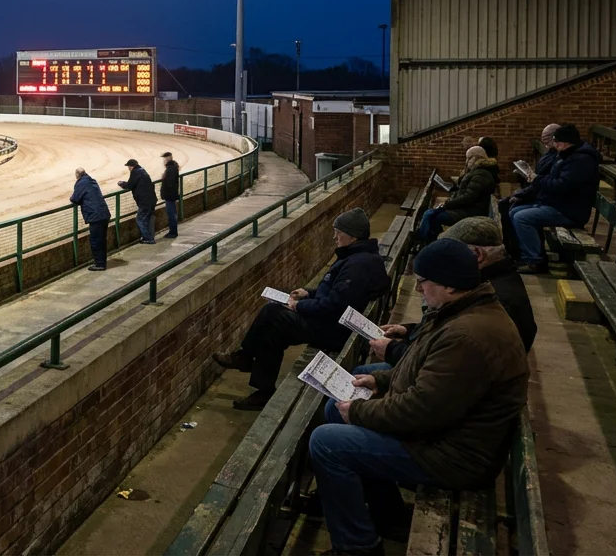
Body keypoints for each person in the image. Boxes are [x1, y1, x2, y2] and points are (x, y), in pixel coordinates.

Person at [309, 239, 528, 556]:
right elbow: (424, 370)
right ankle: (388, 515)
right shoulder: (462, 311)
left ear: (450, 285)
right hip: (446, 435)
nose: (419, 290)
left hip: (451, 455)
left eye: (423, 282)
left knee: (326, 443)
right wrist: (378, 379)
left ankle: (357, 546)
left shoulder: (468, 335)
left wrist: (358, 412)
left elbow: (420, 412)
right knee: (335, 407)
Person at [212, 208, 388, 411]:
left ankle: (245, 357)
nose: (334, 236)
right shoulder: (359, 257)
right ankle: (262, 389)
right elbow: (337, 293)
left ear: (352, 235)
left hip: (333, 331)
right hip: (335, 325)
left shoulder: (357, 265)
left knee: (273, 312)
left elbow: (334, 306)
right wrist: (308, 293)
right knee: (272, 332)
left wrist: (298, 306)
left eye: (338, 232)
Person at [363, 217, 536, 385]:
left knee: (360, 375)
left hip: (463, 388)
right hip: (450, 374)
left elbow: (449, 365)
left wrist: (393, 351)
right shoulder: (490, 282)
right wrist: (409, 330)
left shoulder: (494, 299)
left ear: (476, 255)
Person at [507, 124, 602, 273]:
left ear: (565, 142)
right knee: (515, 211)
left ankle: (534, 261)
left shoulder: (581, 160)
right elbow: (555, 180)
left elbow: (562, 185)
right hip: (558, 204)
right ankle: (530, 255)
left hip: (569, 210)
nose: (554, 146)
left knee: (522, 217)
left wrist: (536, 179)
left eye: (556, 142)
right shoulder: (568, 155)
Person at [416, 146, 498, 243]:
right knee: (432, 213)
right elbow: (465, 193)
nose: (466, 161)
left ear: (476, 158)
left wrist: (447, 204)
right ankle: (433, 241)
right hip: (467, 208)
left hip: (471, 211)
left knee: (430, 215)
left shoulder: (481, 174)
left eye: (468, 158)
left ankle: (427, 241)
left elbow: (468, 197)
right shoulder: (479, 171)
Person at [499, 124, 559, 255]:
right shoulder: (552, 154)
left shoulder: (560, 157)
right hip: (541, 194)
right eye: (544, 141)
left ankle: (529, 256)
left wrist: (522, 194)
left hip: (550, 201)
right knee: (509, 206)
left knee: (518, 213)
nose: (546, 145)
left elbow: (545, 183)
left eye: (547, 140)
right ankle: (515, 250)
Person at [70, 168, 112, 271]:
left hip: (95, 216)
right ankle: (101, 262)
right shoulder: (92, 180)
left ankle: (100, 264)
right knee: (101, 240)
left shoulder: (80, 183)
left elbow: (75, 199)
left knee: (96, 241)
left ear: (77, 175)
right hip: (103, 214)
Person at [119, 158, 157, 245]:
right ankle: (149, 237)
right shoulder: (143, 171)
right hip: (151, 199)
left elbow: (130, 185)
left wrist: (122, 184)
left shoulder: (135, 172)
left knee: (140, 219)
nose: (128, 168)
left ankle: (148, 238)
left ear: (131, 166)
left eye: (128, 166)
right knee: (149, 218)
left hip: (145, 201)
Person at [160, 151, 180, 239]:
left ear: (167, 159)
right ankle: (173, 231)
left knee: (171, 214)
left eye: (164, 159)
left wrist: (163, 178)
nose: (163, 161)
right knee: (172, 214)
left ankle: (173, 232)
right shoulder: (173, 167)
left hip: (170, 195)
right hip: (171, 195)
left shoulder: (170, 168)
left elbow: (170, 183)